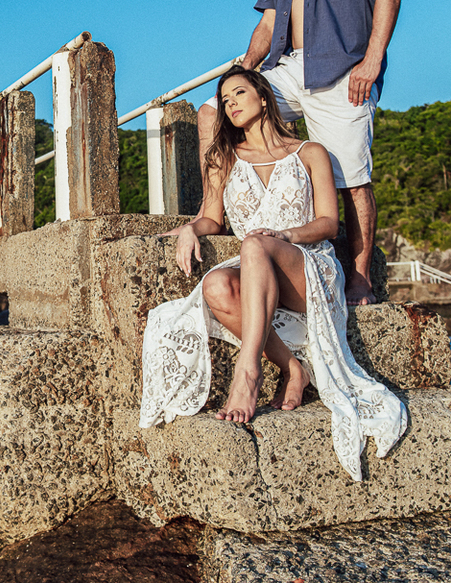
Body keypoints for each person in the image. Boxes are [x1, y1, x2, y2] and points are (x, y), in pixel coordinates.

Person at [141, 66, 406, 481]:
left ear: (264, 98)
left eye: (239, 93)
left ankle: (247, 373)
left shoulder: (310, 152)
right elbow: (213, 219)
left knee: (254, 244)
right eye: (224, 100)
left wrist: (285, 235)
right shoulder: (224, 158)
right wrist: (191, 229)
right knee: (216, 285)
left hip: (307, 266)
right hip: (256, 267)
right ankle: (292, 367)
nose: (230, 104)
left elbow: (328, 223)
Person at [197, 0, 402, 305]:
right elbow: (269, 23)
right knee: (212, 112)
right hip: (288, 66)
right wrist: (243, 74)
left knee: (351, 177)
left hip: (344, 67)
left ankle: (360, 275)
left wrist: (372, 60)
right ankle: (212, 212)